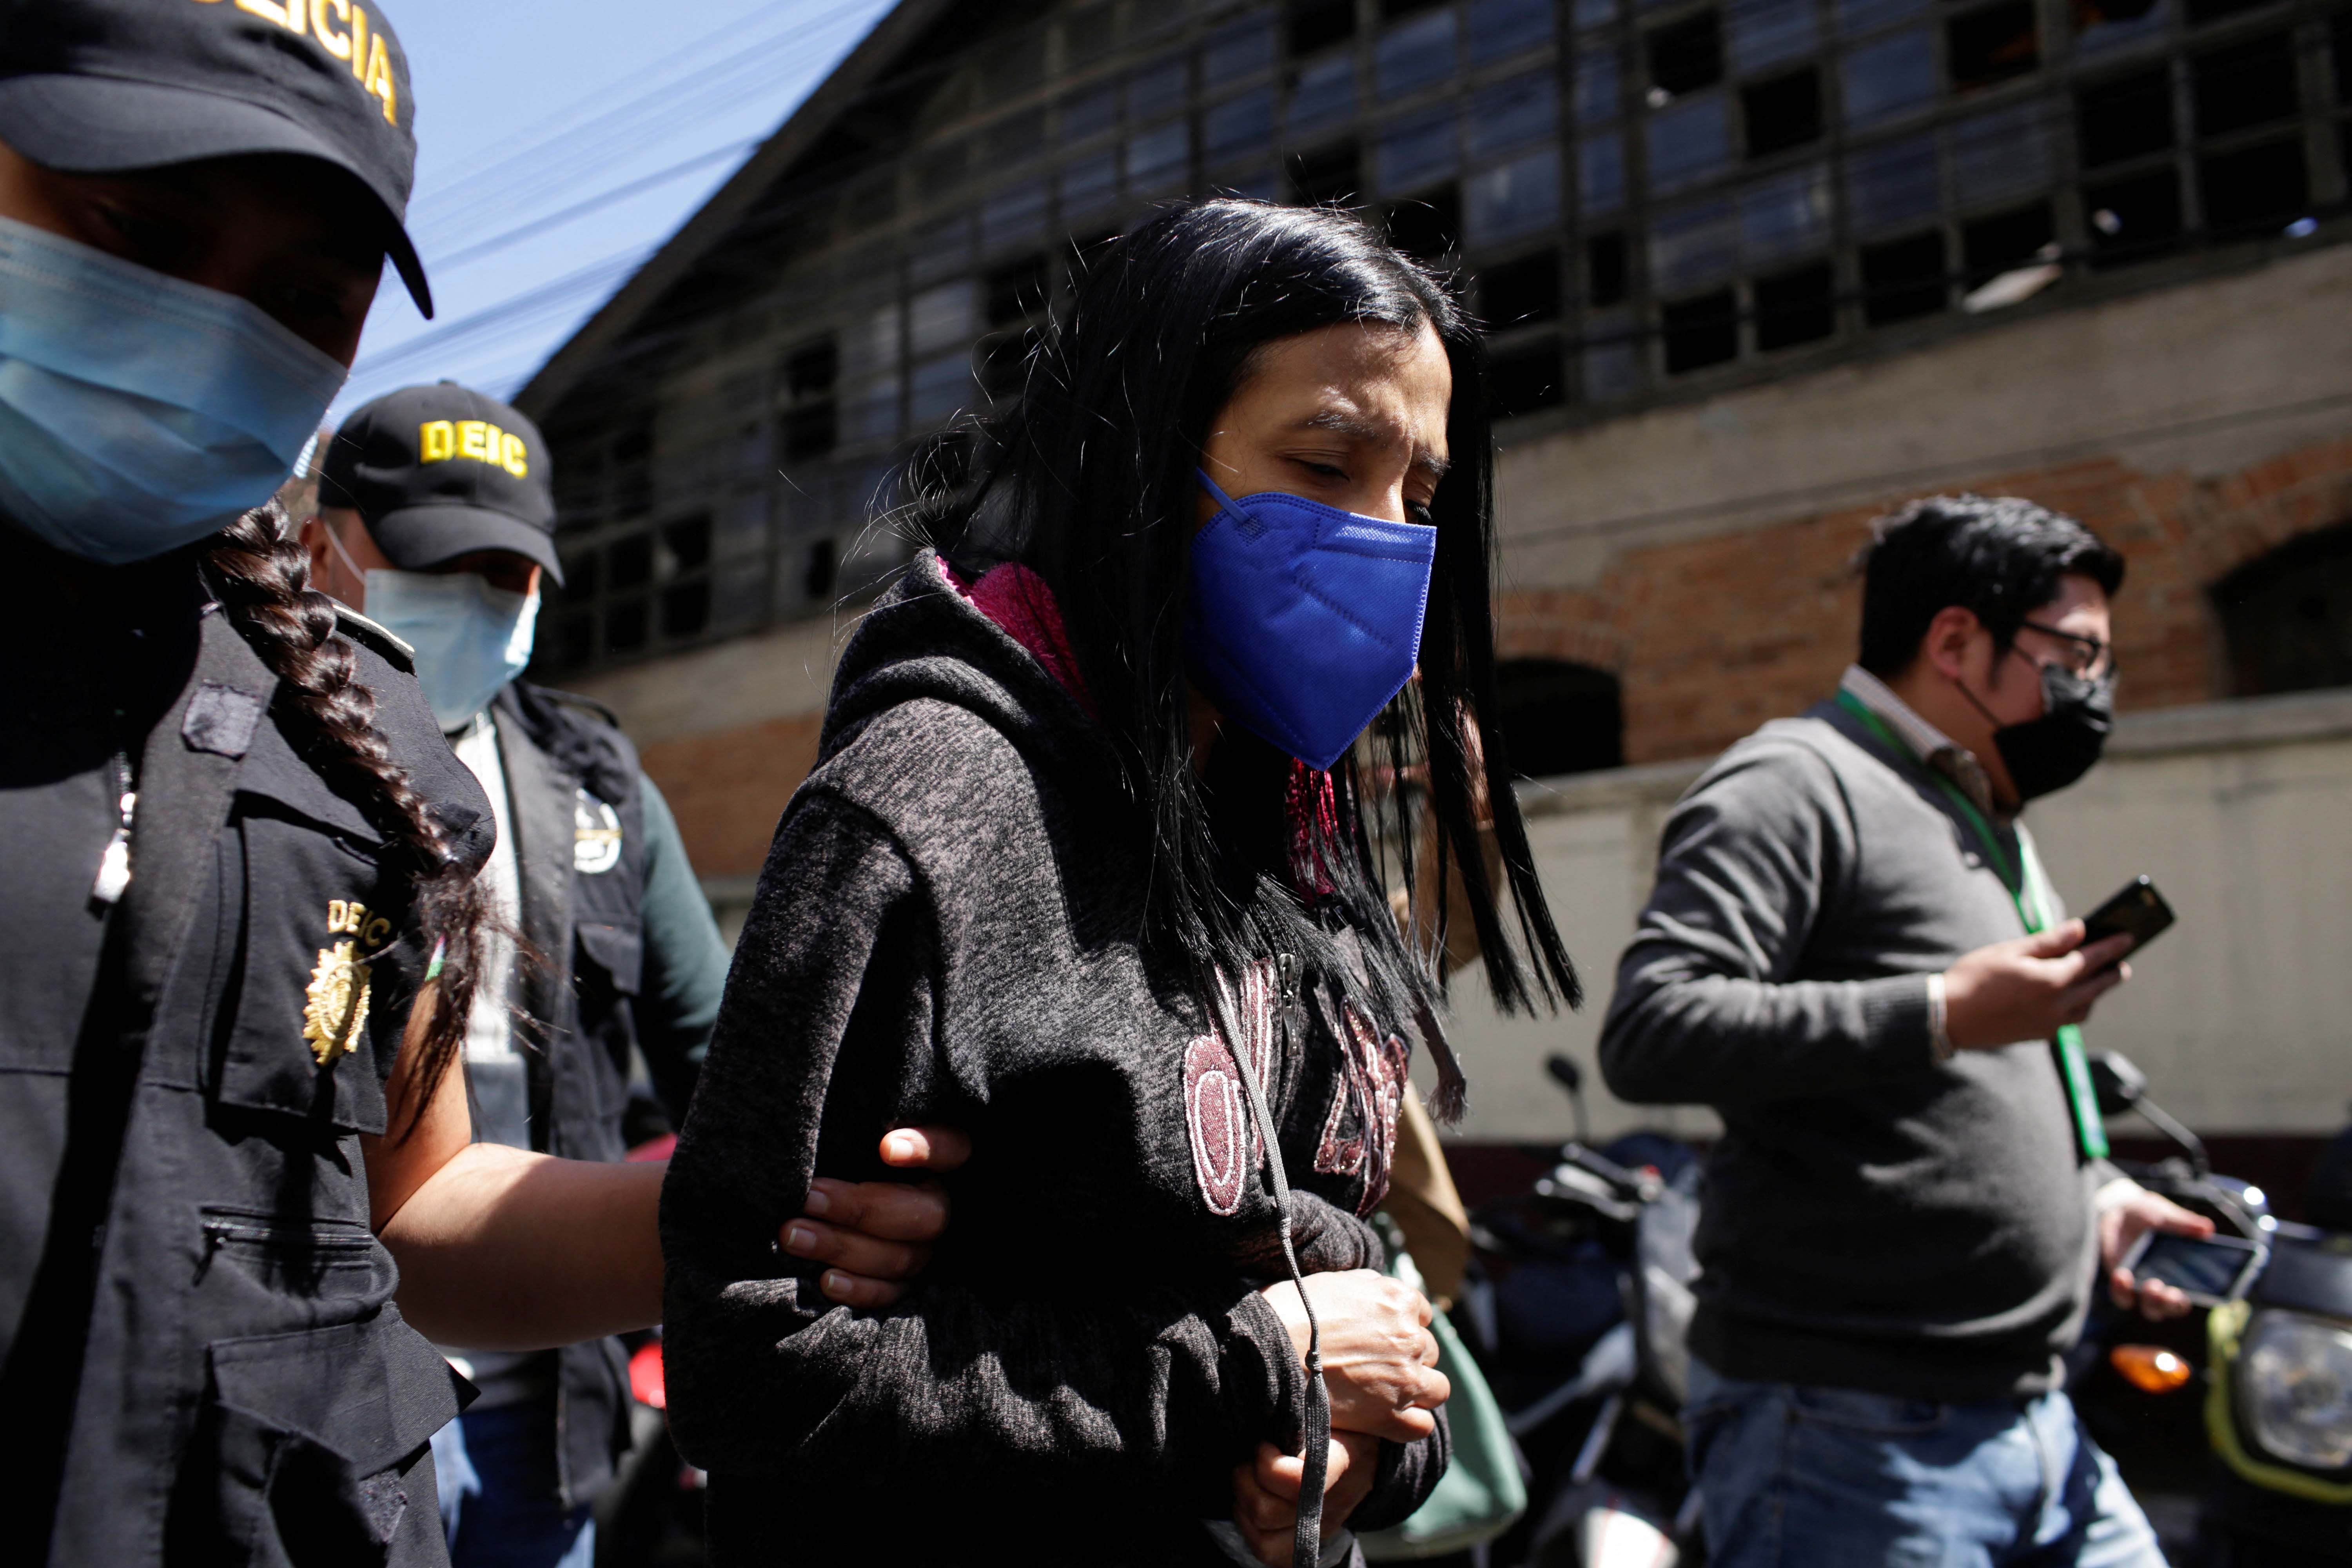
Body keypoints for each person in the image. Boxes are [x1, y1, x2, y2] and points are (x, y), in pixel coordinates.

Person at [0, 6, 946, 1564]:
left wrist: (785, 1204)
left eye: (304, 297)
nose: (206, 327)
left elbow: (419, 1209)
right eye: (140, 228)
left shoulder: (362, 740)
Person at [660, 198, 1581, 1568]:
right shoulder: (929, 804)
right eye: (1327, 464)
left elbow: (1348, 1294)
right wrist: (1256, 1371)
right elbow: (755, 1369)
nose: (1388, 541)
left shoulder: (1296, 842)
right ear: (1138, 461)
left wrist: (1367, 1448)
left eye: (1423, 495)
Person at [1598, 495, 2214, 1567]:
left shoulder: (1979, 811)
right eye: (2077, 654)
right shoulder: (1792, 786)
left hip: (2041, 1419)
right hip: (1851, 1434)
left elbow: (2006, 1063)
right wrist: (1942, 1011)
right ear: (1956, 640)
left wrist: (2099, 1195)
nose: (2097, 689)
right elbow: (1655, 1028)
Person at [298, 383, 717, 1568]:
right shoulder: (253, 756)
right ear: (327, 542)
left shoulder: (599, 793)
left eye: (511, 574)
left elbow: (725, 1057)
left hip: (544, 1402)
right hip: (322, 1374)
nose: (481, 603)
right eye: (441, 563)